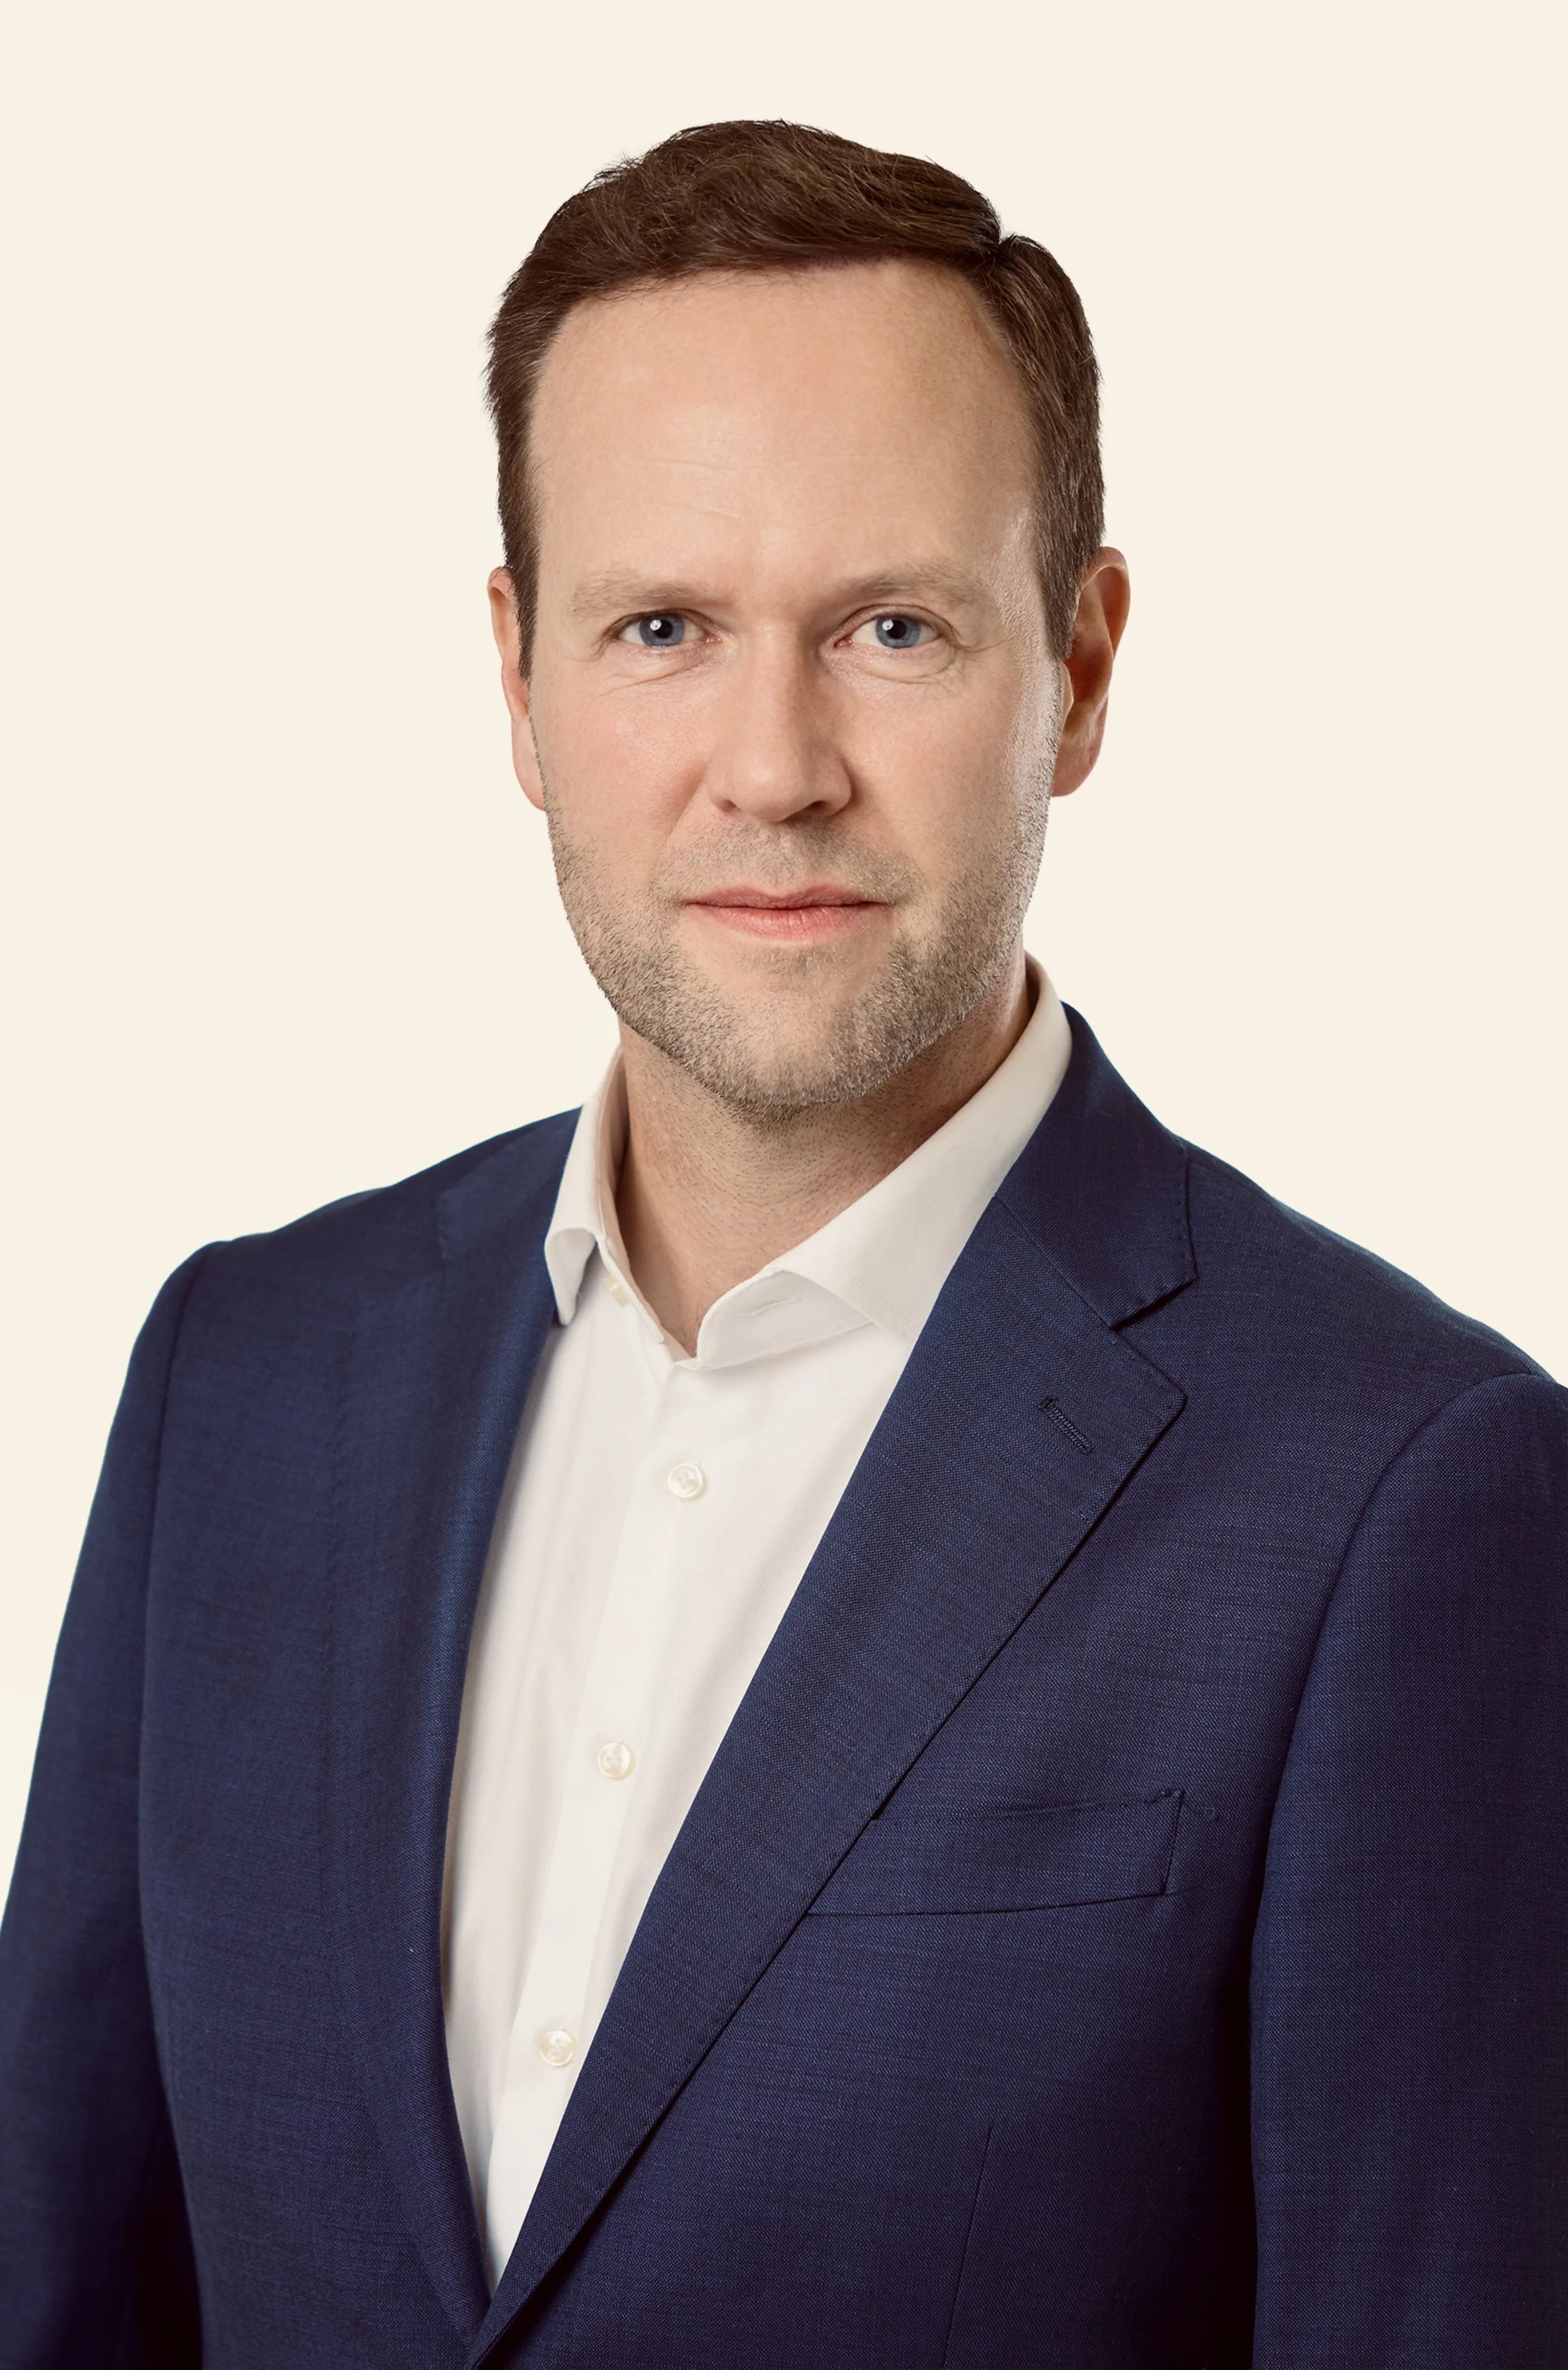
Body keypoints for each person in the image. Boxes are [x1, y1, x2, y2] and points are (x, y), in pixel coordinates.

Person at [1, 117, 1562, 2370]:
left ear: (1080, 668)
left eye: (891, 629)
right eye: (661, 629)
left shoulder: (1407, 1492)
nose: (773, 765)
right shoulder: (241, 1375)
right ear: (519, 681)